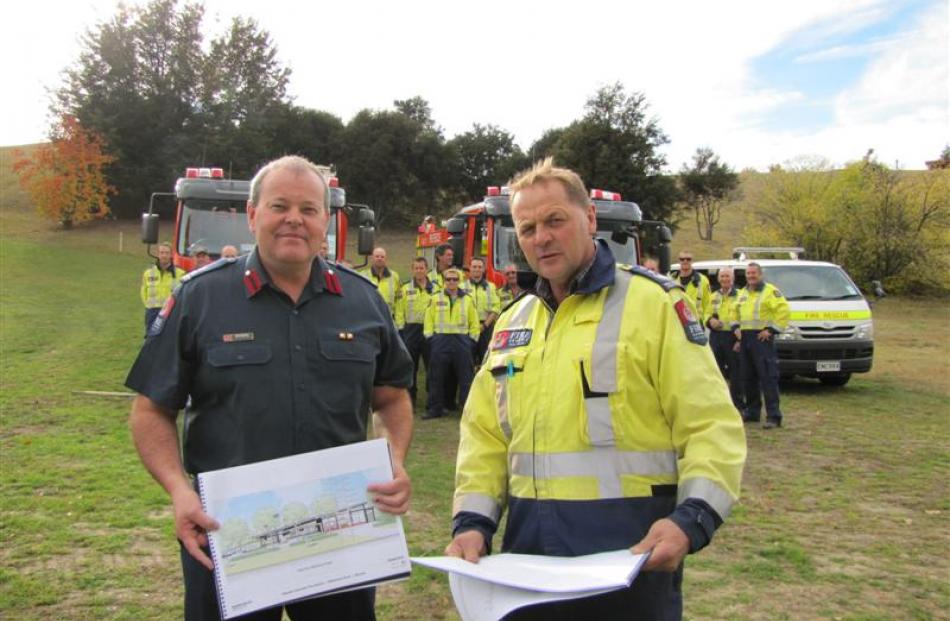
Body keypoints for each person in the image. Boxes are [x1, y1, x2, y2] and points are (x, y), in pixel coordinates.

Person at [445, 158, 746, 620]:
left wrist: (692, 521)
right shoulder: (512, 323)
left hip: (630, 560)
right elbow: (485, 437)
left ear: (589, 219)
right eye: (526, 229)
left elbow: (710, 425)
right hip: (529, 561)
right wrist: (473, 524)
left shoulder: (656, 305)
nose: (540, 237)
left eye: (554, 221)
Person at [125, 155, 414, 621]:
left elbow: (392, 398)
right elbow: (150, 409)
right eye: (280, 206)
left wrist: (393, 458)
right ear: (253, 214)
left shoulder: (365, 301)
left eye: (309, 208)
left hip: (339, 533)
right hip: (227, 534)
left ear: (326, 221)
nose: (294, 219)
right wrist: (180, 490)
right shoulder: (199, 298)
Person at [735, 262, 790, 429]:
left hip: (762, 339)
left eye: (754, 273)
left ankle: (774, 416)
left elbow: (784, 310)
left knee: (767, 377)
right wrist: (735, 328)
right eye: (748, 273)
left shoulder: (770, 291)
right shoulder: (743, 292)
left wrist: (771, 330)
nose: (751, 276)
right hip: (745, 338)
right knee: (748, 377)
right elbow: (735, 312)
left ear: (760, 275)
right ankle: (752, 412)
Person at [422, 267, 479, 420]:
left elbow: (474, 321)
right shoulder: (435, 298)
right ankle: (435, 408)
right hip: (440, 340)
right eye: (448, 279)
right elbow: (428, 319)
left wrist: (472, 340)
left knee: (466, 377)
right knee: (436, 376)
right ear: (444, 281)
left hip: (462, 341)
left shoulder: (467, 299)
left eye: (455, 279)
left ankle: (467, 411)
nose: (452, 282)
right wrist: (430, 338)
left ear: (459, 281)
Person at [395, 256, 436, 406]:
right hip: (411, 331)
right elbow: (399, 312)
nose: (419, 271)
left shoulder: (436, 288)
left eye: (422, 268)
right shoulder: (405, 288)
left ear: (426, 270)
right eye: (416, 268)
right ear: (412, 270)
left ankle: (432, 399)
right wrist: (401, 331)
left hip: (430, 331)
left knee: (431, 366)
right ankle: (410, 399)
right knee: (410, 367)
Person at [707, 268, 744, 411]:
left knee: (736, 373)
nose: (724, 279)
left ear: (733, 278)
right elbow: (706, 313)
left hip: (733, 337)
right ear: (718, 279)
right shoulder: (714, 295)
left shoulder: (741, 295)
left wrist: (739, 340)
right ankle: (718, 403)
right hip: (716, 337)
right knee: (716, 372)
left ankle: (737, 404)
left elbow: (744, 317)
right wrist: (710, 321)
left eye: (727, 276)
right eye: (722, 276)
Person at [140, 242, 186, 335]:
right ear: (158, 254)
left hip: (171, 312)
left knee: (169, 340)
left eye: (166, 253)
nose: (164, 255)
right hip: (152, 312)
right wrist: (148, 305)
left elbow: (183, 295)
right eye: (162, 252)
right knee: (150, 340)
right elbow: (143, 291)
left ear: (171, 255)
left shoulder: (180, 274)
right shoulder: (148, 273)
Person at [465, 257, 501, 364]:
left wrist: (484, 325)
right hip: (467, 328)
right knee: (468, 360)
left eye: (479, 267)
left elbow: (496, 308)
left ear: (484, 269)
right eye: (474, 266)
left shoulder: (491, 287)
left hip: (485, 328)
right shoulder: (462, 287)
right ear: (470, 268)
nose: (477, 269)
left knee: (485, 360)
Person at [360, 247, 402, 319]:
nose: (379, 258)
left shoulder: (394, 276)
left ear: (386, 259)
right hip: (369, 317)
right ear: (372, 258)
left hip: (389, 318)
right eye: (377, 256)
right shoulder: (362, 275)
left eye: (382, 257)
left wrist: (398, 321)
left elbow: (399, 301)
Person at [674, 250, 712, 324]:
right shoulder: (671, 279)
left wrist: (703, 323)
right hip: (677, 324)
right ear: (679, 261)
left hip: (696, 324)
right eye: (682, 259)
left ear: (692, 261)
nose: (685, 261)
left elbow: (708, 305)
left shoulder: (702, 280)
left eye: (688, 259)